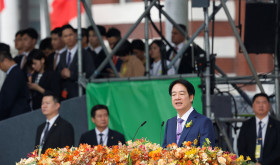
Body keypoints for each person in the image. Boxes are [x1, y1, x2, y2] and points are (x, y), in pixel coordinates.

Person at [162, 79, 215, 148]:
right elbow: (165, 150)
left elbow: (208, 153)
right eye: (174, 94)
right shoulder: (170, 123)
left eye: (181, 94)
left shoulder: (203, 122)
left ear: (191, 97)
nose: (177, 98)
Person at [237, 93, 280, 165]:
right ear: (253, 106)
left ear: (269, 106)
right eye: (257, 102)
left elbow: (278, 150)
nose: (261, 105)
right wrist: (252, 163)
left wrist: (262, 163)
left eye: (264, 102)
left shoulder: (277, 125)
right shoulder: (246, 125)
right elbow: (241, 148)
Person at [57, 24, 95, 100]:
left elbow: (90, 74)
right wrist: (61, 73)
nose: (68, 38)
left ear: (76, 35)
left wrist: (71, 74)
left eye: (70, 35)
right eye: (65, 36)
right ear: (62, 39)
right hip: (65, 95)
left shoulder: (85, 54)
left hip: (80, 94)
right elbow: (58, 72)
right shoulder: (62, 55)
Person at [0, 43, 31, 121]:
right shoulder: (14, 73)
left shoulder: (15, 74)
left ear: (6, 60)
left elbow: (8, 101)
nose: (0, 67)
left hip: (17, 118)